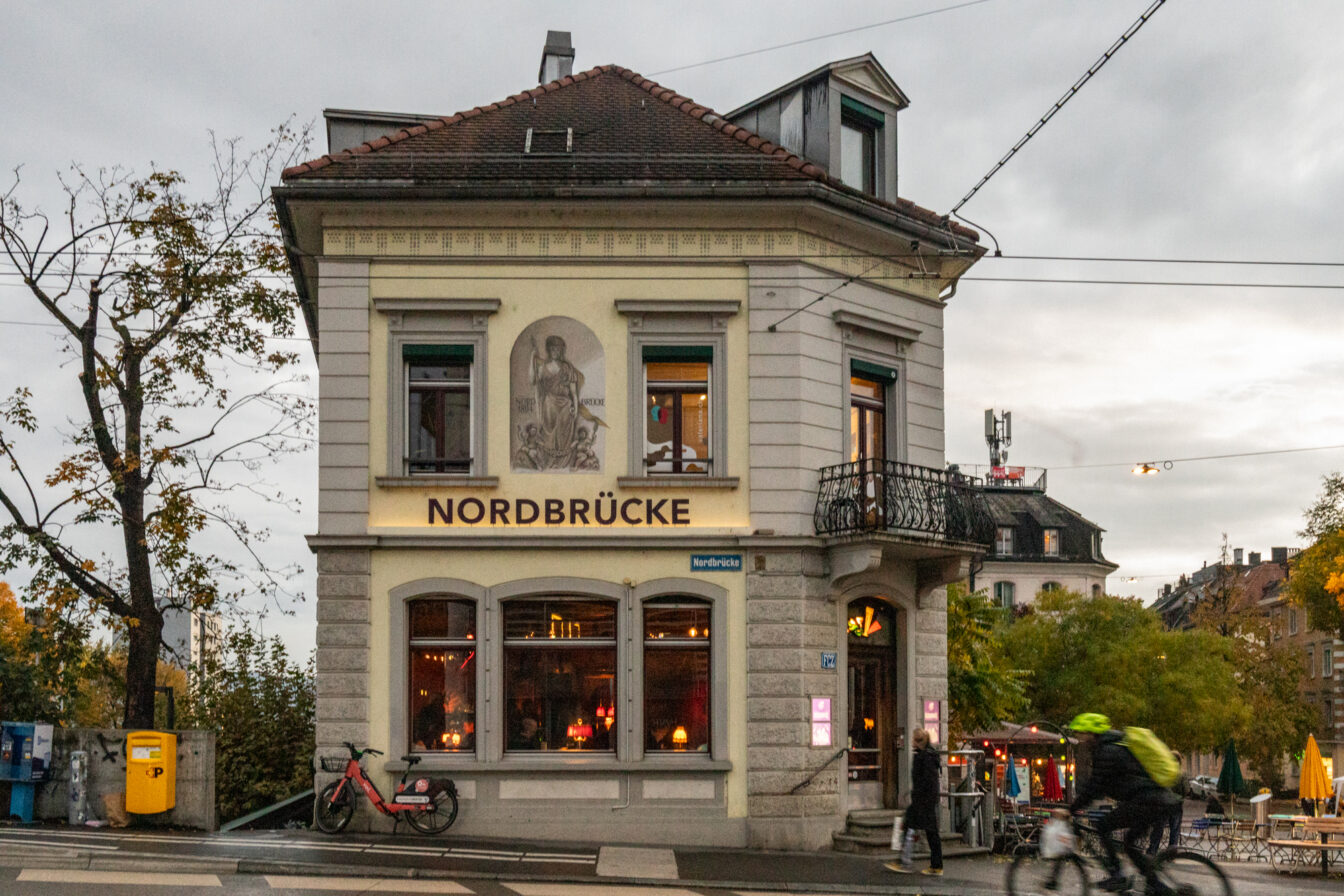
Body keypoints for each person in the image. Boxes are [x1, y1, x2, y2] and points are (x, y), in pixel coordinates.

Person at [1068, 713, 1180, 893]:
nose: (1079, 737)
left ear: (1091, 732)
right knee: (1129, 844)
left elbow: (1095, 787)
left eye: (1081, 732)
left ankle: (1117, 875)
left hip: (1147, 800)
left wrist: (1071, 809)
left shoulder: (1107, 752)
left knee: (1103, 826)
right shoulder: (1114, 746)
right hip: (1155, 800)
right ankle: (1159, 887)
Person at [884, 727, 943, 876]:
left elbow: (926, 782)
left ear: (918, 741)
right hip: (925, 800)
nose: (910, 741)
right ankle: (932, 865)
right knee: (926, 831)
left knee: (912, 827)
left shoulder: (924, 757)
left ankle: (906, 862)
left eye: (913, 739)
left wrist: (918, 797)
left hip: (923, 801)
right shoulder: (926, 755)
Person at [1147, 749, 1185, 855]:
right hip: (1176, 804)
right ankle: (1171, 852)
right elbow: (1186, 790)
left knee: (1159, 827)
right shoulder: (1181, 774)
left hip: (1163, 803)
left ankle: (1153, 849)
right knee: (1175, 829)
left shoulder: (1163, 770)